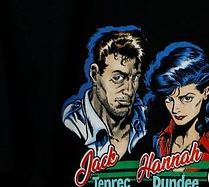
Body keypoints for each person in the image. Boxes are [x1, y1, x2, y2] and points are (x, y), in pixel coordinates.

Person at [142, 41, 209, 161]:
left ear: (206, 92)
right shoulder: (160, 138)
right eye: (169, 99)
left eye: (186, 98)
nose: (175, 109)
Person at [62, 25, 148, 159]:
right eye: (118, 78)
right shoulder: (73, 124)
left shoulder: (144, 119)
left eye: (135, 78)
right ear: (94, 75)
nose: (129, 91)